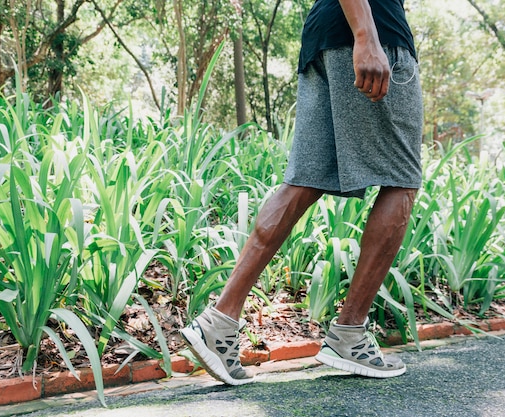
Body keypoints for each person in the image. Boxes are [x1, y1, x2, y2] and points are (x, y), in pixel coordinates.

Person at [180, 0, 422, 385]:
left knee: (304, 180)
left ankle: (218, 322)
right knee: (401, 181)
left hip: (324, 38)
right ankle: (350, 334)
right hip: (374, 32)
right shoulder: (370, 36)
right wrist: (366, 35)